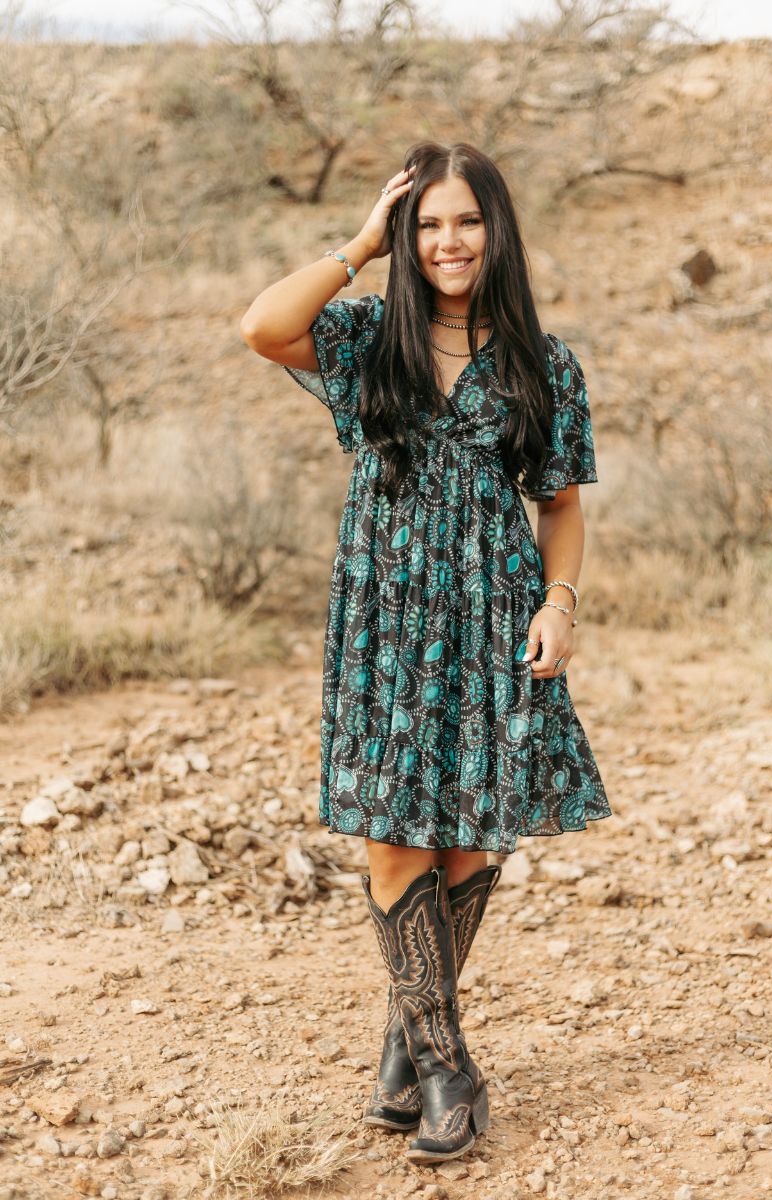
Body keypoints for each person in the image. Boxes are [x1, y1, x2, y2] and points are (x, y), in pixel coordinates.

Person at [239, 140, 613, 1165]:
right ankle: (447, 1067)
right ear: (407, 237)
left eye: (467, 221)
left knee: (467, 832)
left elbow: (560, 504)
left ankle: (408, 1042)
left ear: (498, 231)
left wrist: (560, 601)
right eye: (428, 224)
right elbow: (262, 326)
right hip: (384, 617)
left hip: (494, 614)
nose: (450, 242)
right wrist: (361, 243)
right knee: (394, 828)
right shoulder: (367, 338)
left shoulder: (543, 364)